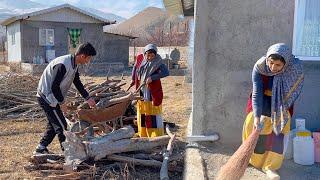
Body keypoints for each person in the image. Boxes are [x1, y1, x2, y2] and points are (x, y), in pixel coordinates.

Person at [242, 43, 304, 179]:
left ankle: (270, 166)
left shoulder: (294, 69)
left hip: (282, 102)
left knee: (279, 132)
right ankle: (254, 161)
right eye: (271, 63)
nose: (273, 68)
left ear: (285, 64)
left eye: (278, 65)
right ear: (267, 59)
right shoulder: (260, 66)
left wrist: (277, 112)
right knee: (252, 124)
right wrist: (258, 116)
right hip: (262, 99)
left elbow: (291, 93)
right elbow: (257, 92)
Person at [34, 42, 97, 154]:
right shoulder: (63, 64)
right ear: (83, 56)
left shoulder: (74, 64)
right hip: (46, 97)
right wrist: (62, 102)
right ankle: (68, 153)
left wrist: (87, 98)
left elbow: (77, 82)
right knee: (62, 126)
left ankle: (41, 147)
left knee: (54, 123)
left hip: (53, 97)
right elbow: (54, 86)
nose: (88, 61)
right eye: (89, 58)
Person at [136, 44, 169, 137]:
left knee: (153, 112)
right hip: (142, 90)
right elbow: (135, 69)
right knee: (143, 111)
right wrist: (133, 79)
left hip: (152, 91)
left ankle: (155, 135)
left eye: (152, 55)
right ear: (145, 54)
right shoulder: (141, 59)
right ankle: (143, 133)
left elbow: (166, 72)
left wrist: (153, 77)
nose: (150, 57)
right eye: (148, 55)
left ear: (155, 55)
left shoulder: (158, 61)